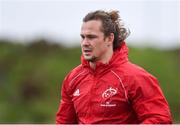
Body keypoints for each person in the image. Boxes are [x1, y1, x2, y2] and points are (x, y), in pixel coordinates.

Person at [56, 10, 172, 124]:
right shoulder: (73, 78)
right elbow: (64, 122)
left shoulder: (136, 77)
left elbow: (160, 120)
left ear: (110, 38)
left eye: (91, 37)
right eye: (83, 37)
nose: (85, 43)